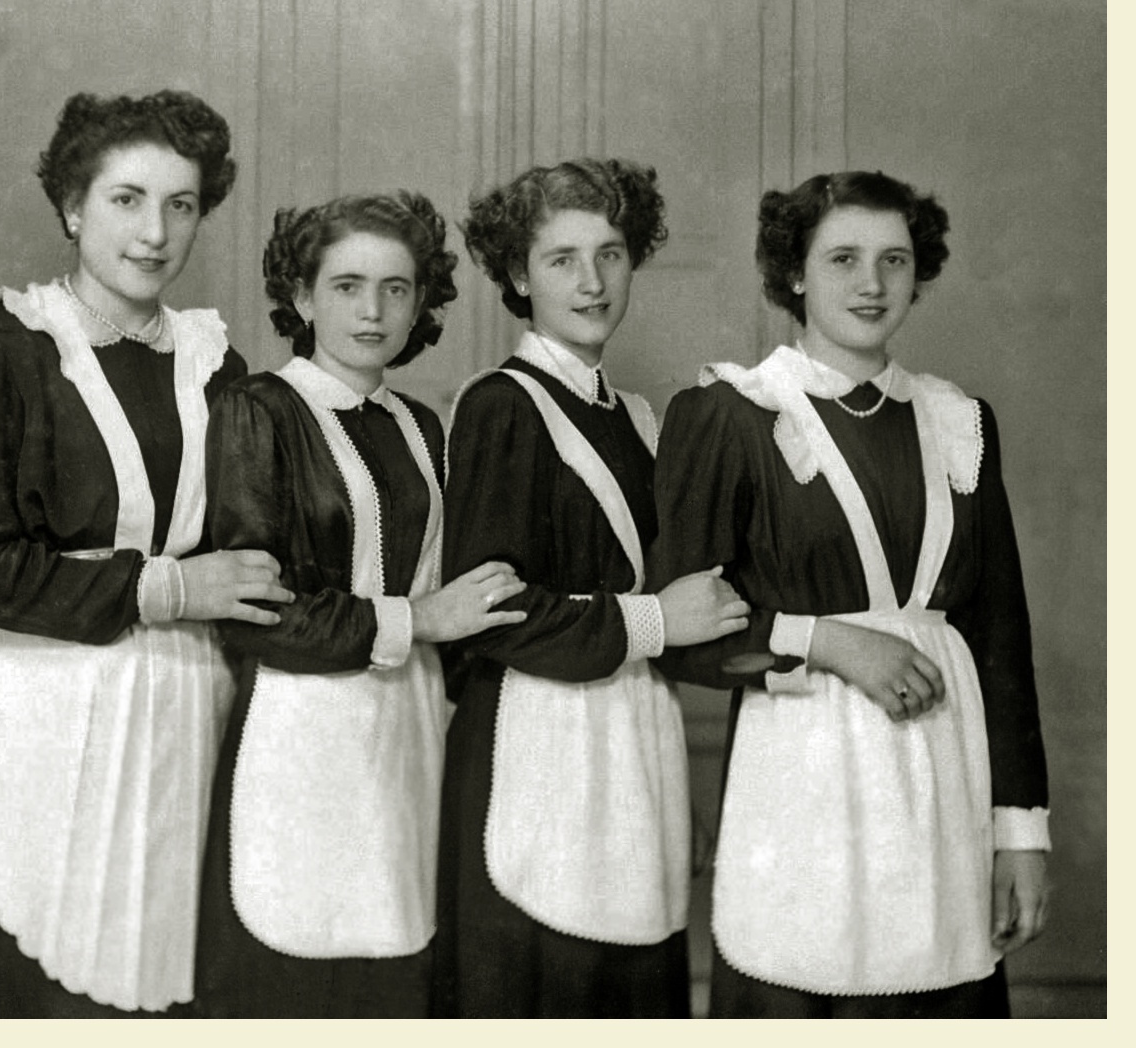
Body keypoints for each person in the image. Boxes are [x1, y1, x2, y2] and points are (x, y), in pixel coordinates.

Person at [0, 89, 294, 1017]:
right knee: (41, 992)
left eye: (181, 204)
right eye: (126, 199)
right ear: (71, 206)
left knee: (173, 982)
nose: (155, 232)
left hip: (190, 711)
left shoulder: (214, 362)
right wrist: (169, 589)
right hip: (50, 708)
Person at [649, 170, 1051, 1017]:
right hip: (802, 797)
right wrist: (825, 642)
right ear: (793, 274)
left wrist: (1019, 831)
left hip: (944, 788)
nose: (871, 283)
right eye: (842, 259)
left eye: (892, 260)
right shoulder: (732, 412)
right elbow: (678, 636)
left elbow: (998, 636)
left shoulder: (958, 420)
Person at [193, 191, 529, 1017]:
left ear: (421, 305)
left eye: (395, 288)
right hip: (297, 741)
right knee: (295, 982)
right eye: (346, 286)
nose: (372, 311)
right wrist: (422, 620)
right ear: (301, 297)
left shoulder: (418, 424)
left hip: (407, 737)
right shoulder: (259, 409)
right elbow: (257, 611)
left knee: (395, 980)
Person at [432, 158, 751, 1018]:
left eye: (609, 254)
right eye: (561, 259)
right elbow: (490, 614)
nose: (591, 282)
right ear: (516, 275)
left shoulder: (633, 416)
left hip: (628, 753)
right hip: (535, 753)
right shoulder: (501, 404)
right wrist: (655, 621)